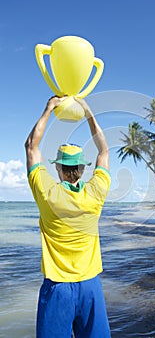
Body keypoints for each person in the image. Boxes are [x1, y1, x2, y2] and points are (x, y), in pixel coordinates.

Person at [25, 96, 111, 338]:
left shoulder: (47, 193)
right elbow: (104, 151)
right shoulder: (96, 193)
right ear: (82, 169)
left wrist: (49, 107)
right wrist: (87, 111)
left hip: (57, 288)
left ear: (58, 168)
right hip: (90, 287)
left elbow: (31, 146)